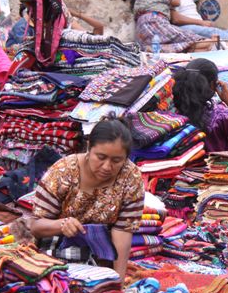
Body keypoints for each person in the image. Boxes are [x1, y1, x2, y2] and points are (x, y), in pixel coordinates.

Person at [28, 117, 144, 280]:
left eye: (116, 160)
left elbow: (123, 231)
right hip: (56, 246)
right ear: (89, 147)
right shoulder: (63, 172)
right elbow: (35, 225)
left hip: (102, 251)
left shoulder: (131, 177)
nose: (106, 167)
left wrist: (117, 281)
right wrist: (62, 225)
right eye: (101, 157)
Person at [5, 0, 104, 49]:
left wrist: (77, 14)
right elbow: (26, 52)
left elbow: (95, 32)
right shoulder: (23, 27)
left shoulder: (60, 15)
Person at [173, 58, 228, 152]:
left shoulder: (172, 108)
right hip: (214, 165)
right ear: (212, 85)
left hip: (181, 165)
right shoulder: (220, 114)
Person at [132, 0, 214, 53]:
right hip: (157, 23)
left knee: (202, 47)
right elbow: (176, 2)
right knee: (207, 43)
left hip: (141, 29)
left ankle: (155, 50)